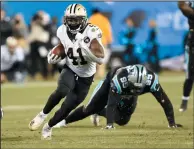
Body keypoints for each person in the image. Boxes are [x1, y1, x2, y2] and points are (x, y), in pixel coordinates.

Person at [28, 3, 105, 140]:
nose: (72, 23)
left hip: (86, 77)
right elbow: (64, 47)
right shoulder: (61, 30)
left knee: (67, 108)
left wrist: (89, 52)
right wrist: (55, 53)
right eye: (70, 19)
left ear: (83, 20)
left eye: (76, 20)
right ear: (65, 19)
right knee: (62, 90)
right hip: (70, 68)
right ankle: (42, 114)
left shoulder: (92, 31)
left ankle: (48, 127)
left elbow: (100, 55)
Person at [54, 64, 182, 129]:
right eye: (133, 87)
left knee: (123, 120)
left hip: (126, 87)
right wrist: (109, 125)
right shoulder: (120, 81)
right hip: (110, 81)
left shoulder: (151, 80)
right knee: (90, 108)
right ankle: (63, 121)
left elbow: (164, 101)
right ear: (129, 80)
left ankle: (99, 112)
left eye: (139, 88)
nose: (135, 91)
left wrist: (172, 123)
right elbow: (111, 103)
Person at [178, 1, 194, 112]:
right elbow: (182, 6)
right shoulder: (190, 5)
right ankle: (184, 100)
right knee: (190, 75)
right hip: (193, 44)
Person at [89, 8, 113, 78]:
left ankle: (94, 75)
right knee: (102, 59)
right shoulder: (104, 19)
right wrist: (109, 41)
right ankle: (101, 75)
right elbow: (108, 30)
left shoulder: (91, 19)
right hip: (103, 41)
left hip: (93, 42)